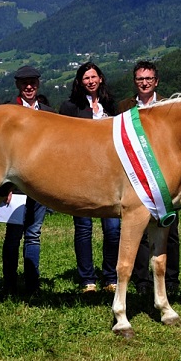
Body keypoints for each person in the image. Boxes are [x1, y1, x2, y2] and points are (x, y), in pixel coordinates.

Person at [118, 61, 180, 296]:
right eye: (140, 79)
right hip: (135, 176)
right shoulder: (124, 106)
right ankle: (141, 279)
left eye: (148, 79)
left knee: (169, 230)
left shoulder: (168, 106)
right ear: (135, 81)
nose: (144, 83)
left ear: (156, 81)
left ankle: (171, 279)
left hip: (162, 177)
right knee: (140, 232)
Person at [59, 62, 121, 294]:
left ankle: (111, 276)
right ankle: (87, 280)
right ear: (79, 81)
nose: (91, 81)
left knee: (113, 228)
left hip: (110, 174)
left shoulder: (111, 104)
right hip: (81, 174)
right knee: (83, 227)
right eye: (86, 78)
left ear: (101, 79)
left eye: (94, 76)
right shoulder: (70, 107)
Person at [1, 65, 54, 295]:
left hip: (41, 184)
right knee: (13, 236)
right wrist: (7, 185)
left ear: (38, 84)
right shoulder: (9, 113)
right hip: (16, 185)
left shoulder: (50, 113)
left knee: (33, 234)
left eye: (32, 82)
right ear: (17, 86)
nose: (29, 86)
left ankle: (32, 284)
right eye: (24, 83)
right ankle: (10, 284)